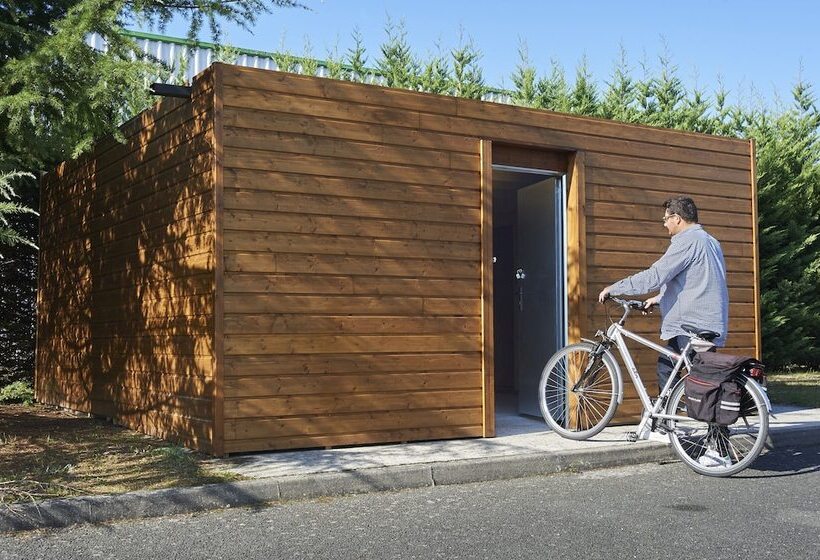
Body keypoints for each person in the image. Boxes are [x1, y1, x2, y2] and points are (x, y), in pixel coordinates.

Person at [597, 196, 729, 395]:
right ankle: (669, 412)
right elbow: (699, 281)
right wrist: (658, 299)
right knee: (669, 368)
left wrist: (615, 288)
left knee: (697, 383)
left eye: (666, 219)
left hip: (691, 325)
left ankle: (684, 413)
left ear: (677, 218)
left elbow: (655, 276)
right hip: (707, 322)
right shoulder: (711, 241)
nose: (664, 224)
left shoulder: (688, 241)